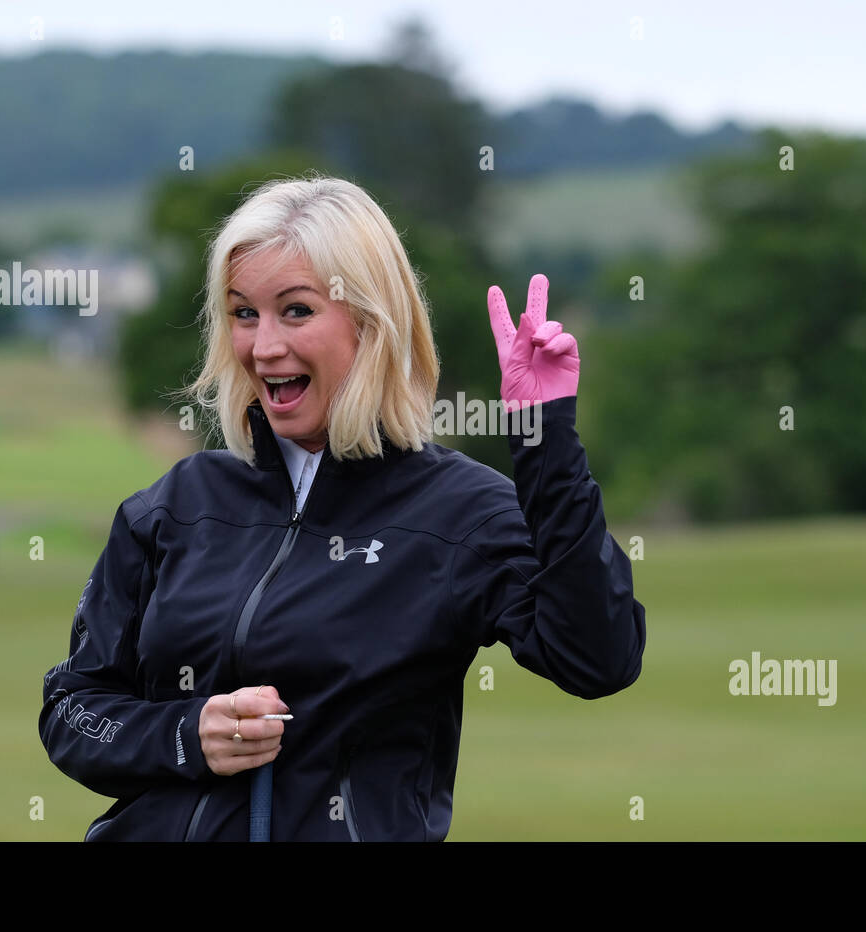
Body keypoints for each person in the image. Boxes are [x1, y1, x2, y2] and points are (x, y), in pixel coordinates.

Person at [38, 174, 646, 841]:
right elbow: (73, 710)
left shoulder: (459, 513)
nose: (264, 346)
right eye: (244, 313)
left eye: (296, 311)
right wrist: (185, 734)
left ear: (369, 321)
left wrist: (544, 439)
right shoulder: (177, 506)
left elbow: (597, 658)